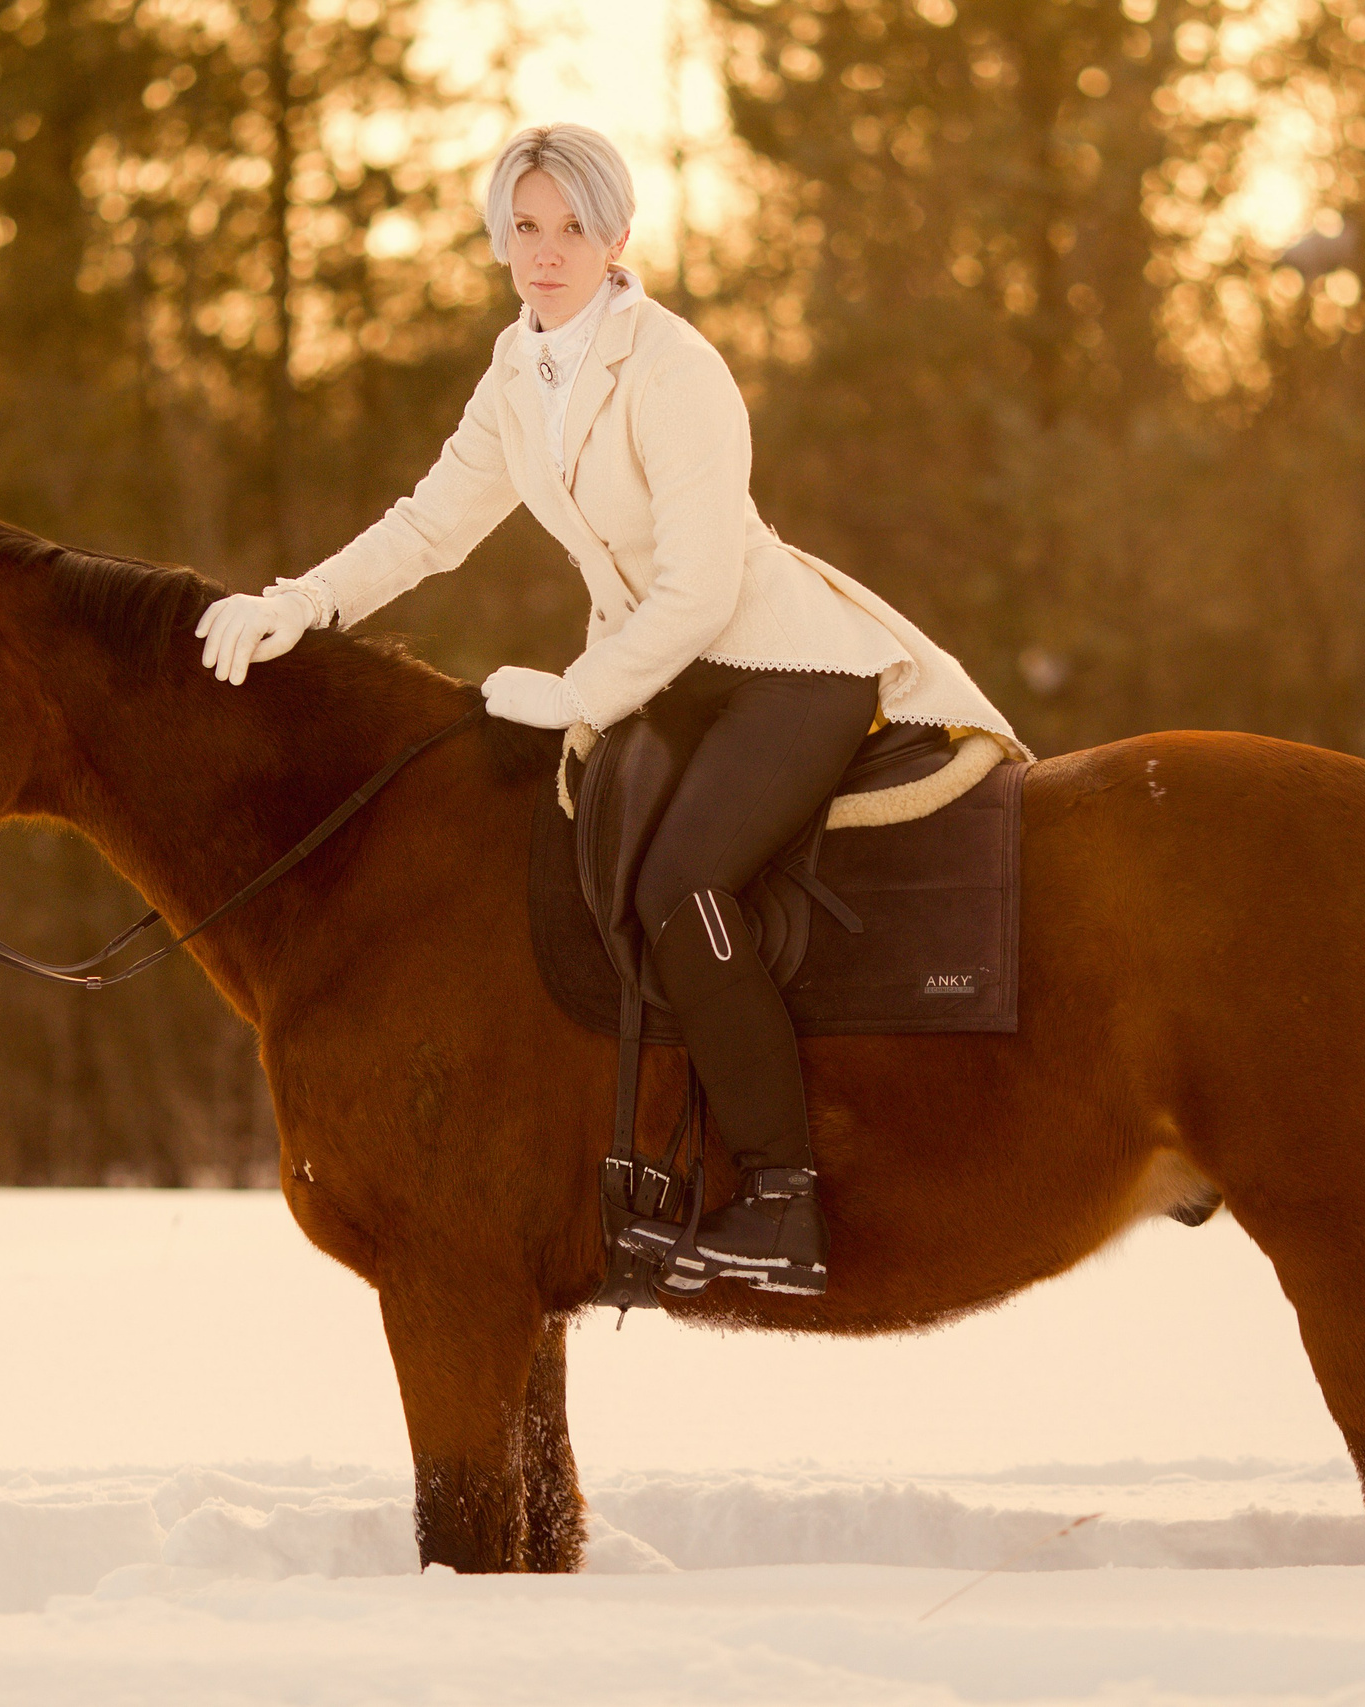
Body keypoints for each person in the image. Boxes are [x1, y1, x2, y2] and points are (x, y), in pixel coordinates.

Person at [195, 123, 1023, 1294]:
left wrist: (577, 693)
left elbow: (697, 590)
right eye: (524, 227)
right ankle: (648, 1162)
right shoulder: (513, 372)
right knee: (582, 868)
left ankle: (783, 1197)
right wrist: (303, 601)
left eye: (571, 227)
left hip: (780, 667)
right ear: (499, 238)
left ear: (615, 235)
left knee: (680, 882)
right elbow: (433, 523)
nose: (546, 251)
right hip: (666, 676)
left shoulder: (674, 366)